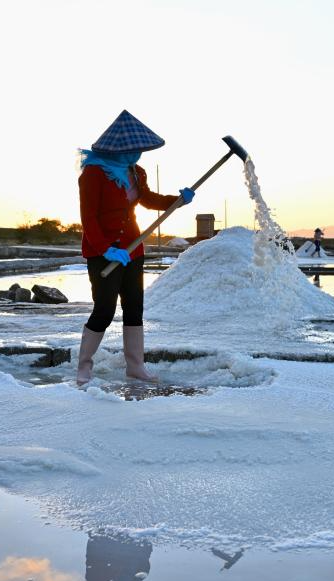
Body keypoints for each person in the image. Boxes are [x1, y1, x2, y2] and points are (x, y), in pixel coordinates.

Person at [75, 110, 195, 385]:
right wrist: (105, 248)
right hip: (102, 252)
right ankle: (84, 367)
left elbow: (148, 200)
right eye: (134, 150)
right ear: (120, 147)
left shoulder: (135, 172)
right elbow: (89, 218)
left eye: (139, 150)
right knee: (104, 310)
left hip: (133, 249)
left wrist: (177, 200)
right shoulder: (93, 174)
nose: (137, 155)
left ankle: (135, 366)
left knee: (134, 309)